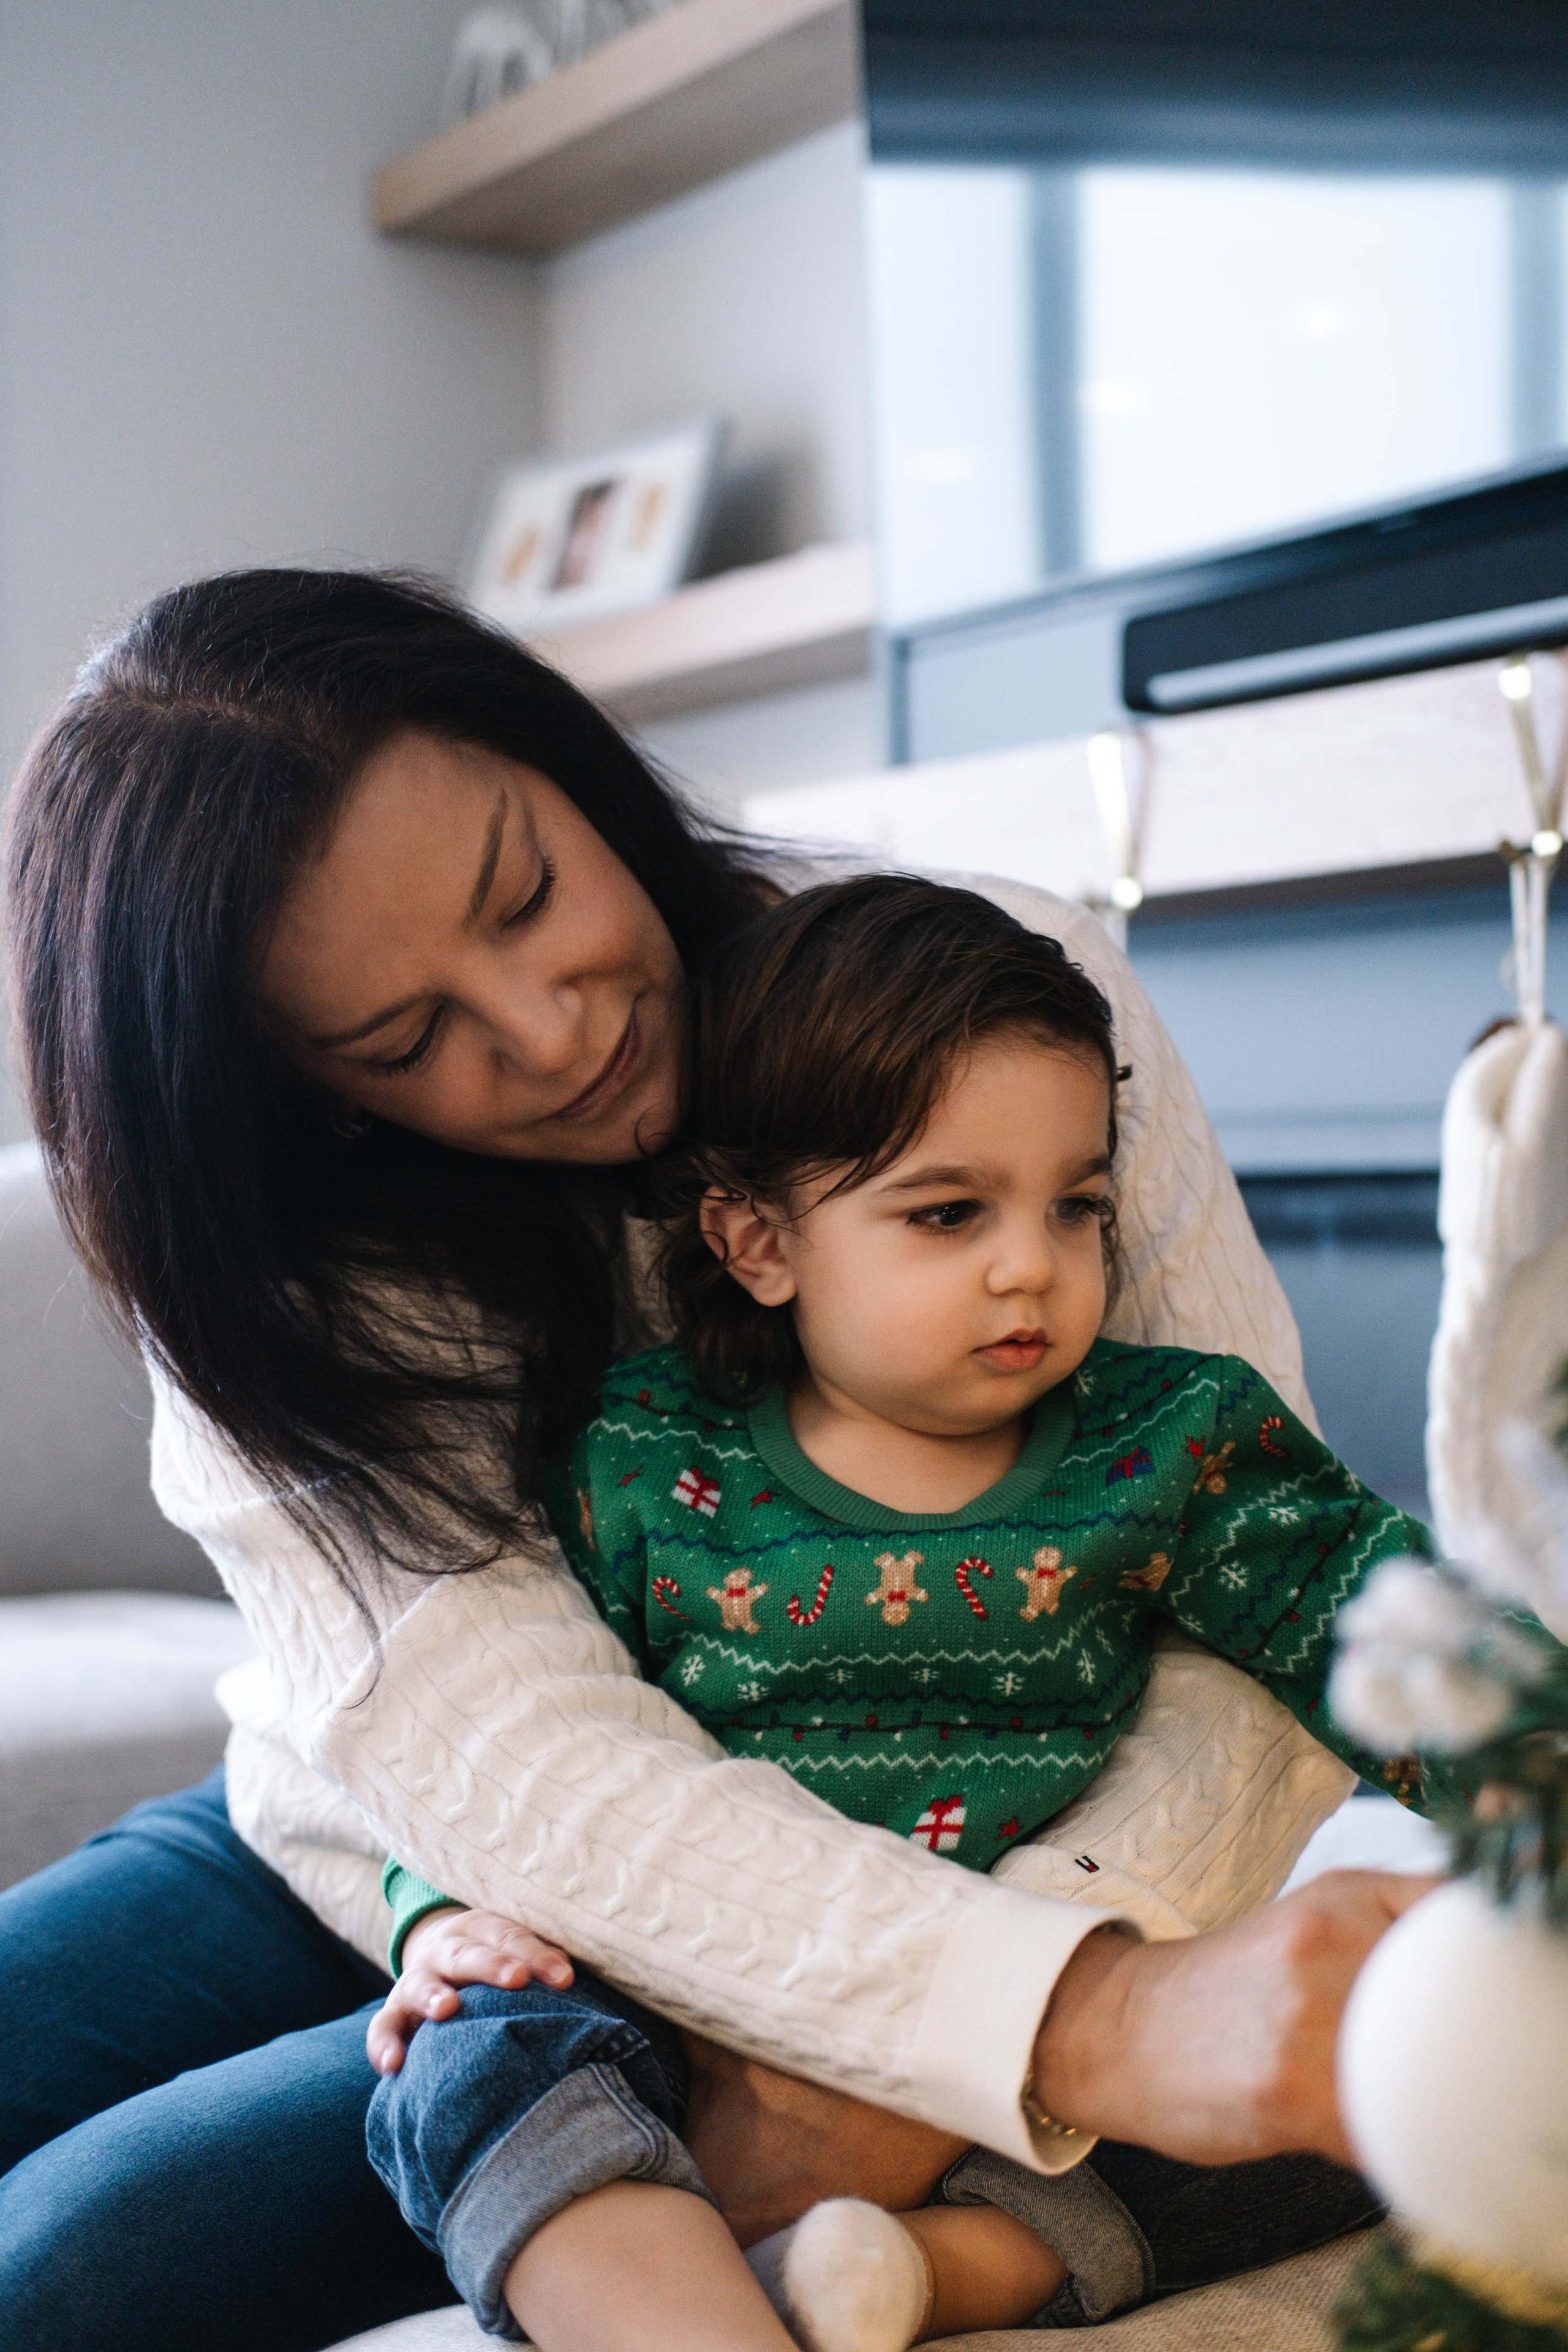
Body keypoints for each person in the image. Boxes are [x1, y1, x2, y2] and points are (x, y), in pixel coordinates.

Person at [0, 570, 1434, 2352]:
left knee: (55, 2273)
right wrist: (1053, 2026)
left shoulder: (989, 993)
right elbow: (503, 1748)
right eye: (404, 1038)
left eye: (527, 896)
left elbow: (1245, 1551)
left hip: (893, 1819)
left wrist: (1006, 2000)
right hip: (397, 1836)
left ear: (572, 766)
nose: (550, 1028)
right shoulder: (273, 1254)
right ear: (306, 1096)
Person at [364, 875, 1431, 2350]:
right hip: (666, 2018)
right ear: (758, 1245)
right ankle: (680, 2317)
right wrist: (438, 1923)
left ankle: (916, 2275)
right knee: (466, 2063)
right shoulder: (637, 1460)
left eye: (1076, 1207)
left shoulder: (1171, 1438)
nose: (1031, 1266)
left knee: (1381, 2075)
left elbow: (1391, 1635)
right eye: (946, 1214)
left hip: (1012, 2057)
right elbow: (490, 1761)